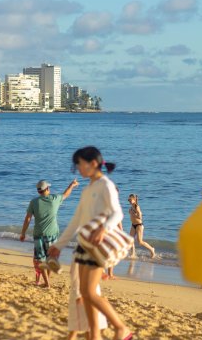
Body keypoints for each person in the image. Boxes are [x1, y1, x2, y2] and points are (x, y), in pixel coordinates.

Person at [48, 146, 134, 340]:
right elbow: (76, 220)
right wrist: (58, 245)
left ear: (93, 164)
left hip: (97, 247)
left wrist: (104, 229)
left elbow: (117, 212)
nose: (78, 168)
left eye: (80, 164)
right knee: (85, 295)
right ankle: (94, 336)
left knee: (89, 292)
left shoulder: (106, 185)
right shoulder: (88, 189)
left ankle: (121, 328)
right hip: (82, 247)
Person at [20, 178, 79, 287]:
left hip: (38, 235)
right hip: (52, 235)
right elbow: (66, 194)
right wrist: (72, 185)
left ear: (38, 191)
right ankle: (48, 280)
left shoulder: (34, 202)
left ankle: (47, 283)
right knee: (51, 259)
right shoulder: (54, 199)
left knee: (41, 261)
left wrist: (23, 233)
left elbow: (27, 218)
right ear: (47, 189)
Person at [127, 194, 156, 259]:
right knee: (131, 240)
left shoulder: (136, 207)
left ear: (134, 200)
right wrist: (131, 213)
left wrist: (134, 214)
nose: (129, 201)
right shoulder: (131, 207)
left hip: (139, 225)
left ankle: (152, 249)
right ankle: (133, 254)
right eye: (128, 199)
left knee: (140, 241)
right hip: (133, 225)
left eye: (130, 199)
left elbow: (140, 216)